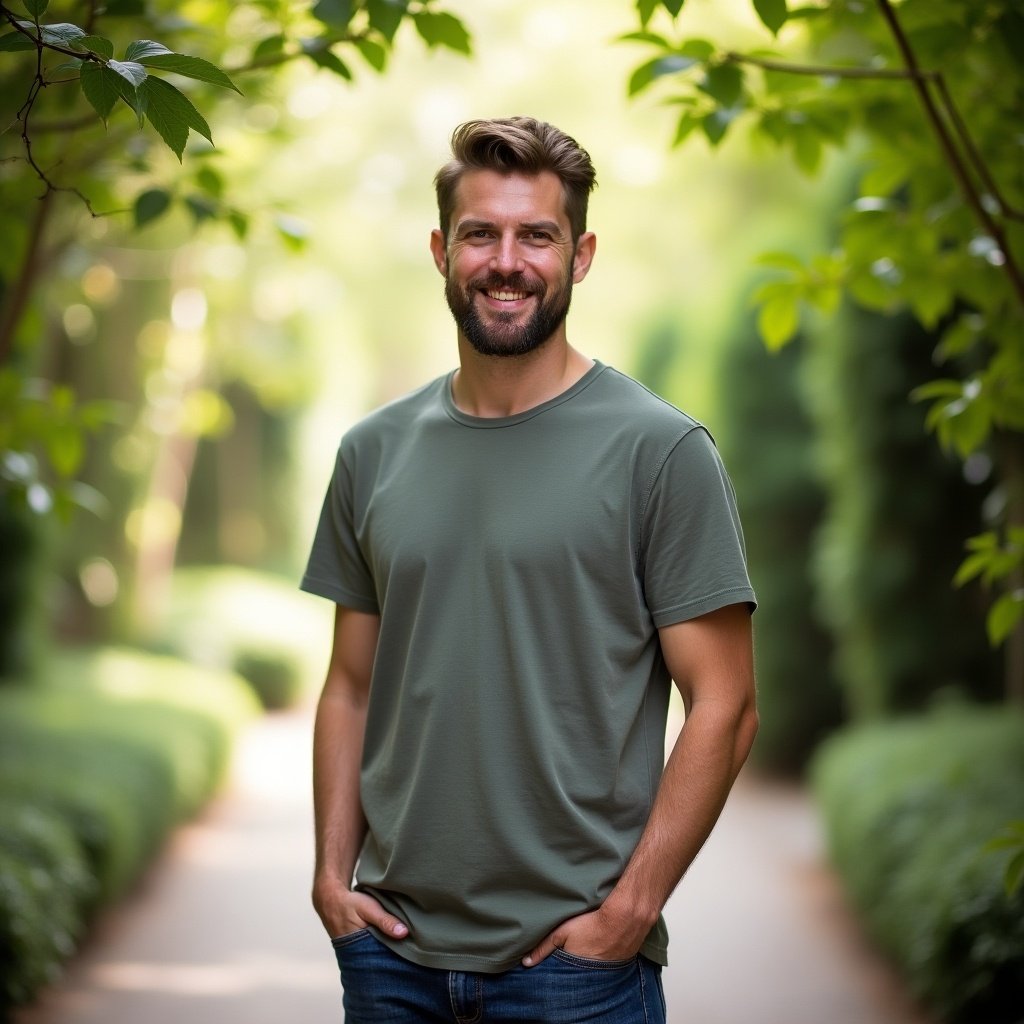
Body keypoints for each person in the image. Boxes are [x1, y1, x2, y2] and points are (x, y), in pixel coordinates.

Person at [300, 115, 758, 1024]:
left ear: (580, 255)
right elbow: (349, 686)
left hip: (576, 973)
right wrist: (329, 880)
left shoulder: (660, 452)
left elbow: (727, 706)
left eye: (536, 236)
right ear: (442, 249)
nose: (506, 261)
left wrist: (630, 910)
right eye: (481, 233)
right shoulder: (372, 452)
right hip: (391, 959)